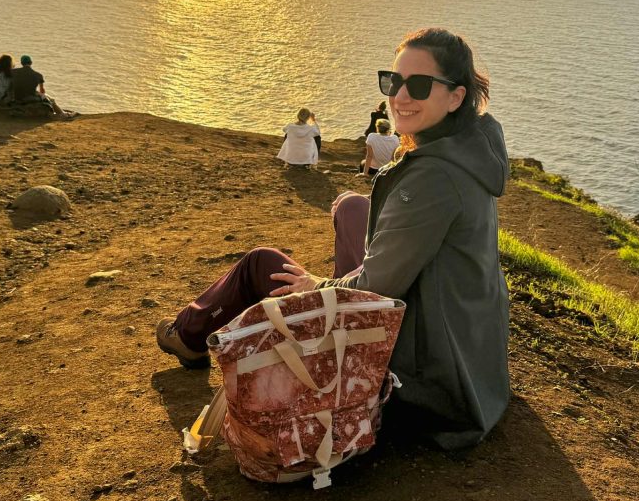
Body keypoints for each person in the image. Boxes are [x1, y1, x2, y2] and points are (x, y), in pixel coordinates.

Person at [156, 27, 510, 450]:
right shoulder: (468, 149)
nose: (399, 96)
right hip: (467, 362)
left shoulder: (434, 179)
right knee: (352, 206)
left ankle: (187, 336)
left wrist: (316, 286)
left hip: (422, 385)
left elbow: (375, 289)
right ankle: (199, 329)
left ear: (455, 96)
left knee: (262, 265)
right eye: (393, 81)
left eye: (418, 85)